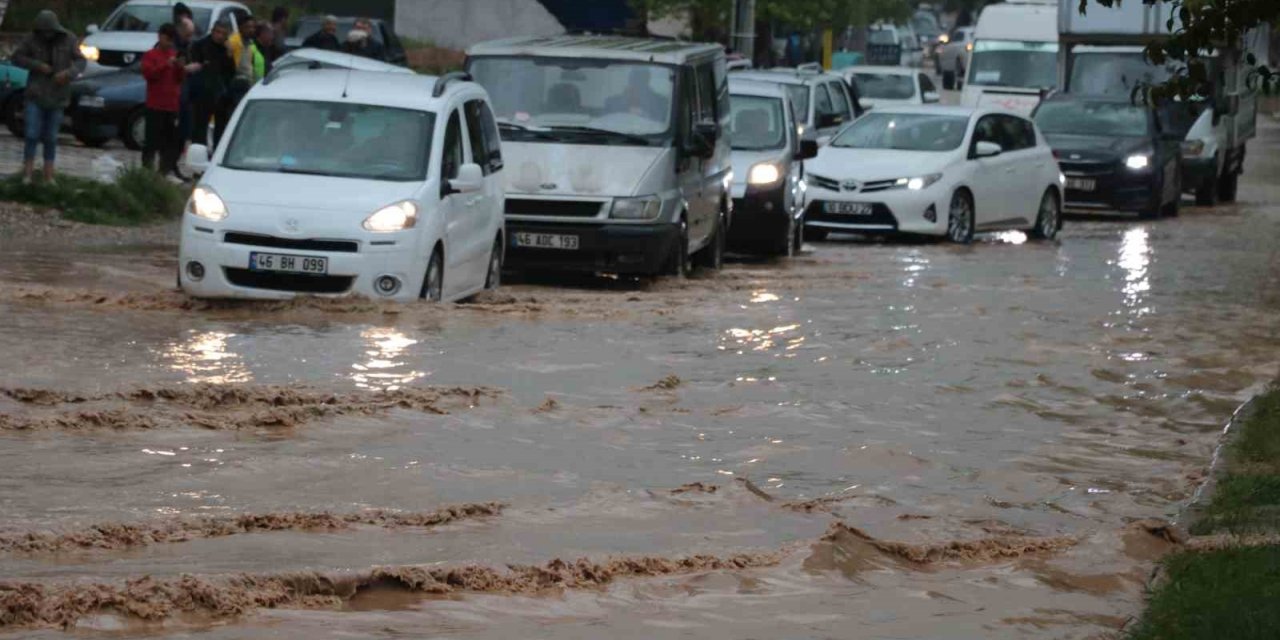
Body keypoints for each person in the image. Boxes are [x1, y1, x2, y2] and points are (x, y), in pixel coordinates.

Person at [11, 10, 85, 185]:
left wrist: (68, 74)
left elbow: (81, 61)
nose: (46, 34)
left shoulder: (69, 39)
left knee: (51, 137)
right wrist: (37, 65)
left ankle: (49, 176)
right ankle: (27, 174)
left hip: (58, 95)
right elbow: (17, 57)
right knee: (31, 134)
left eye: (49, 31)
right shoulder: (30, 39)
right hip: (35, 94)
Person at [141, 23, 189, 181]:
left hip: (171, 106)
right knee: (151, 142)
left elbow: (180, 79)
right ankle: (146, 173)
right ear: (160, 36)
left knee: (170, 143)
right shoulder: (150, 55)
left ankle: (163, 172)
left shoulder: (174, 54)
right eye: (166, 39)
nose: (169, 43)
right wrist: (165, 65)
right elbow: (149, 74)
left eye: (171, 40)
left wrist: (180, 67)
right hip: (154, 105)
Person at [189, 20, 235, 147]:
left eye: (223, 34)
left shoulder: (226, 49)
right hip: (203, 93)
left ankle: (216, 154)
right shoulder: (200, 45)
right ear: (213, 31)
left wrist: (230, 55)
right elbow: (195, 68)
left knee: (221, 128)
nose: (220, 36)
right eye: (218, 32)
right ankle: (199, 152)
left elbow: (231, 73)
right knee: (200, 128)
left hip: (221, 94)